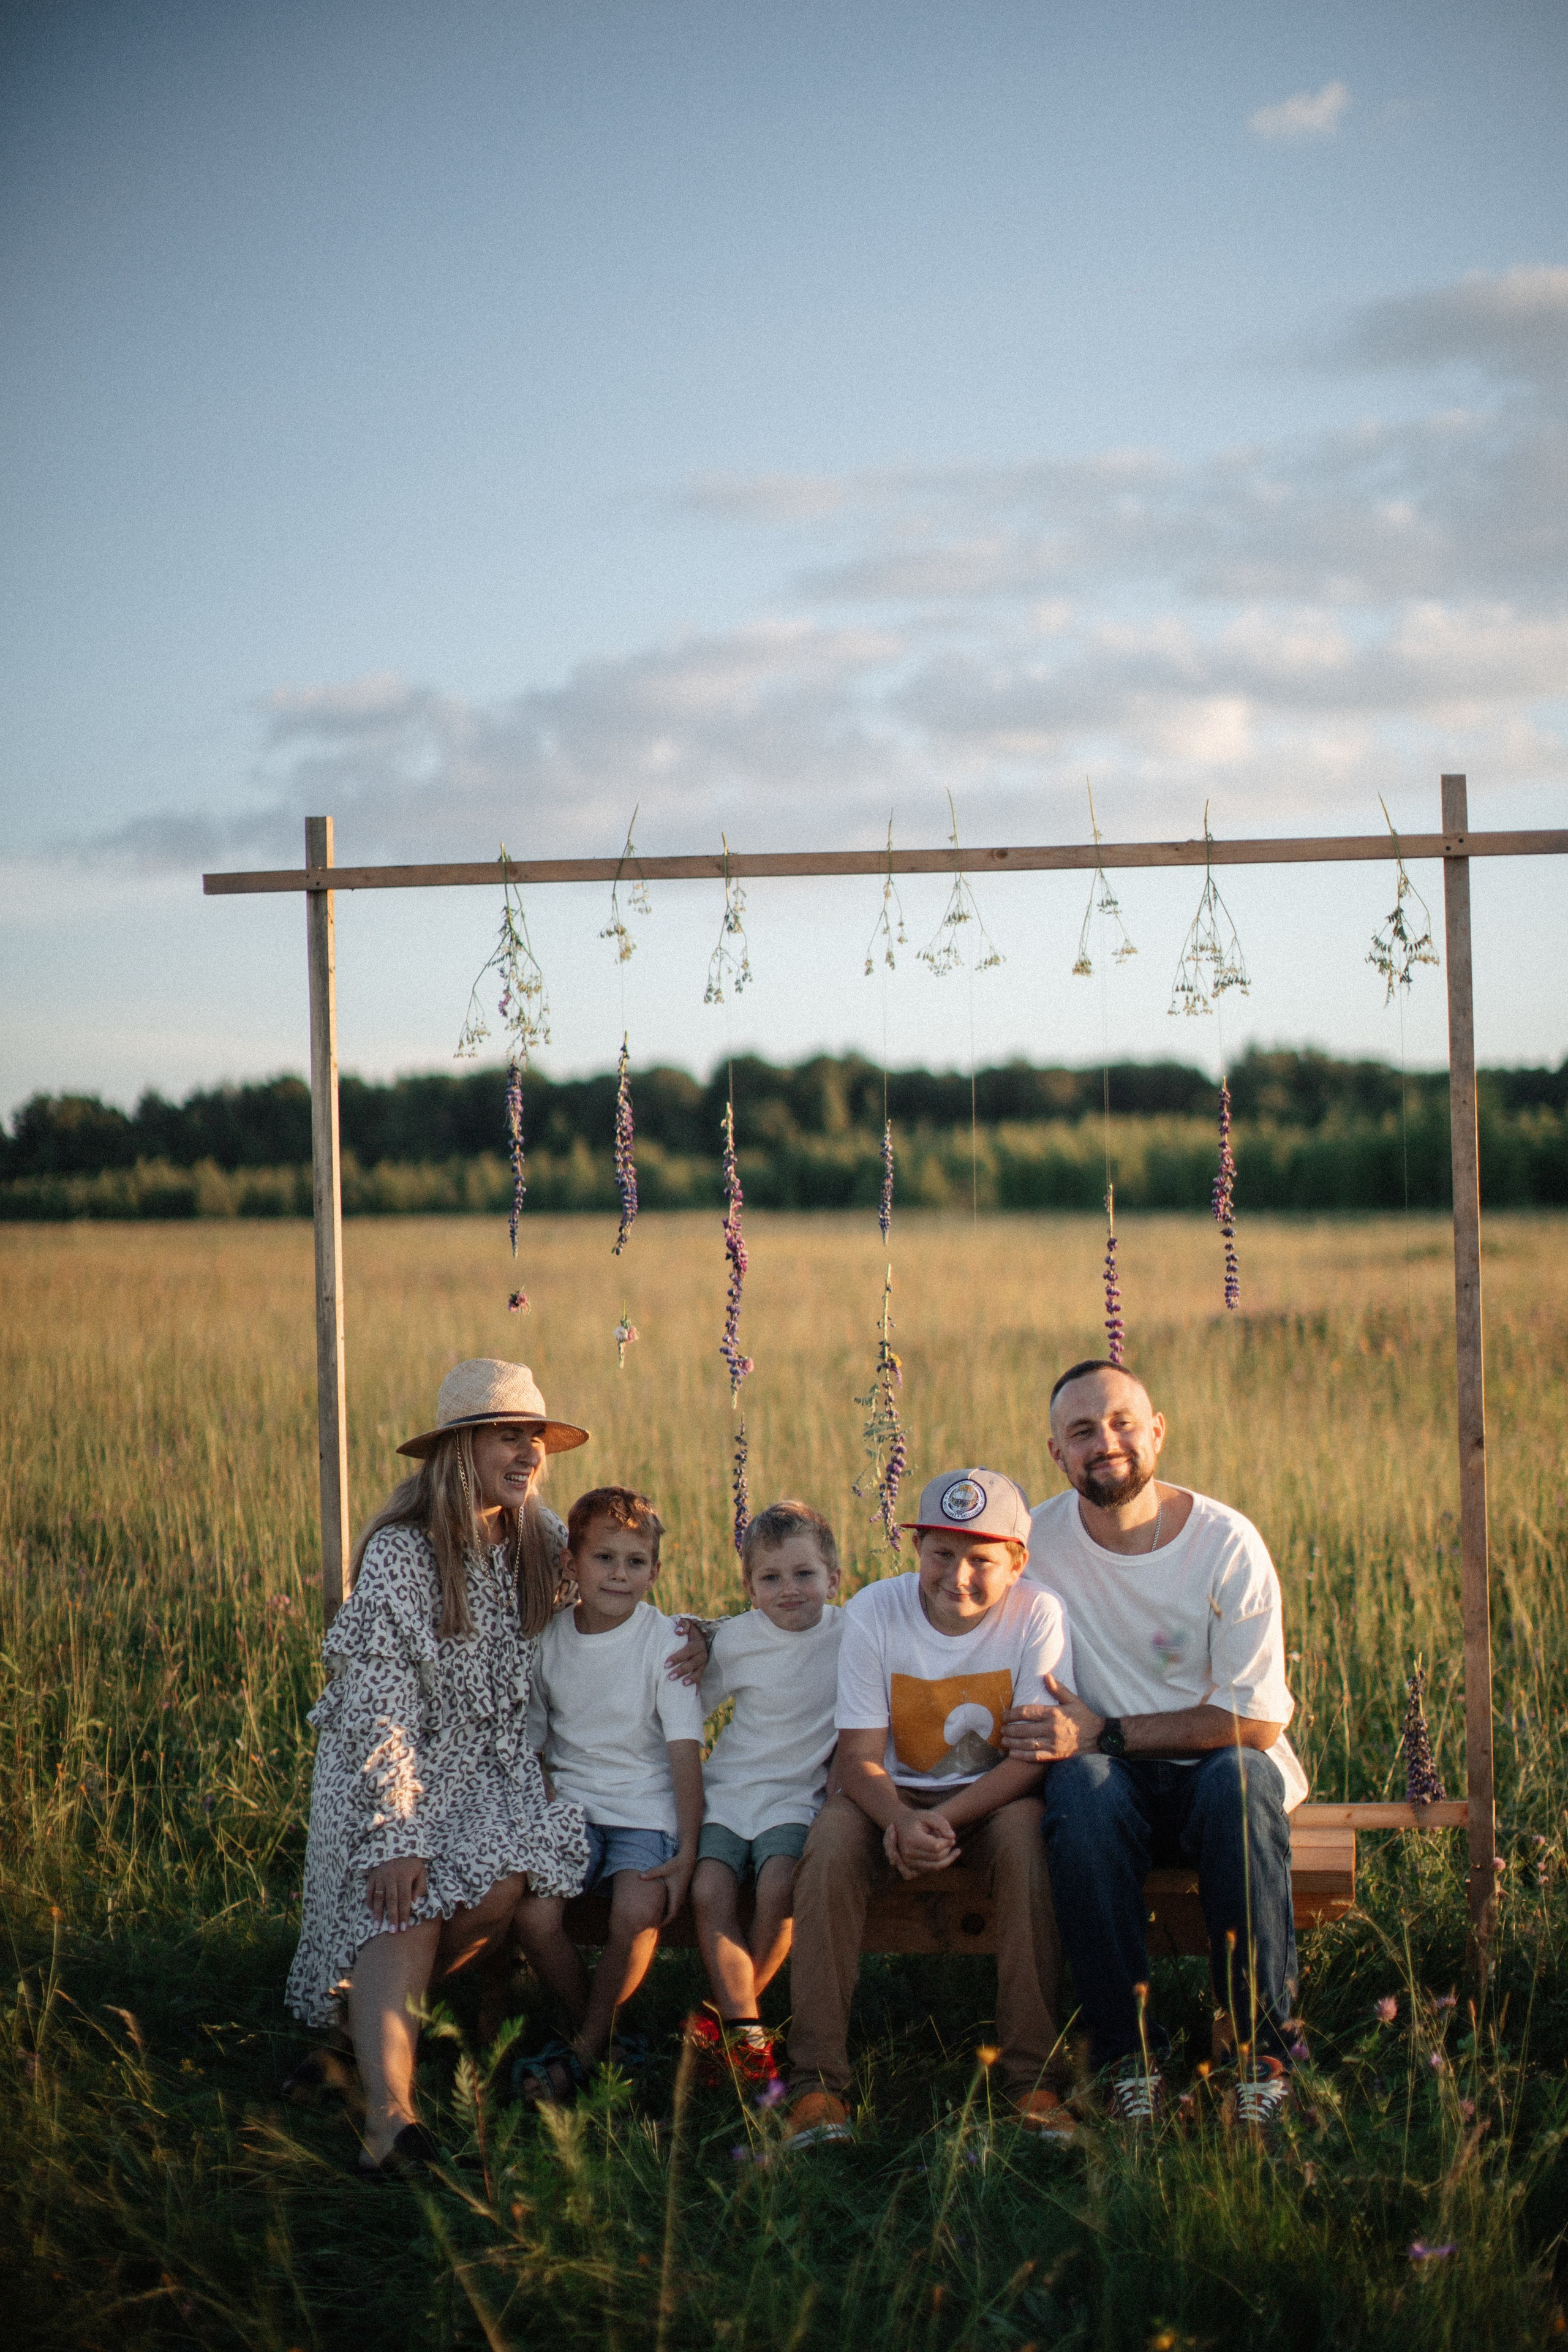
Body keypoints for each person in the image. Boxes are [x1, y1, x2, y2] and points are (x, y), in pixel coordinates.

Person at [284, 1359, 593, 2175]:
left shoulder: (537, 1534)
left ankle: (366, 2039)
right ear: (459, 1449)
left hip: (490, 1769)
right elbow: (381, 1711)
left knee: (499, 1882)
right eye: (507, 1436)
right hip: (396, 1767)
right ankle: (392, 2123)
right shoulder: (402, 1552)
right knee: (406, 1895)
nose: (528, 1453)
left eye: (535, 1438)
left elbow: (614, 1597)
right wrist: (397, 1830)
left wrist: (695, 1638)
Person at [1001, 1359, 1306, 2131]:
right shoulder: (1033, 1546)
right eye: (1081, 1432)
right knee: (1080, 1790)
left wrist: (1108, 1730)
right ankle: (1128, 2060)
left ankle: (1259, 2058)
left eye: (1120, 1423)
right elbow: (942, 1603)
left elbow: (1256, 1720)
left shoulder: (1224, 1543)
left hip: (1216, 1769)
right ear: (1056, 1454)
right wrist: (724, 1640)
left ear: (1157, 1431)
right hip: (1113, 1781)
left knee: (1239, 1779)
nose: (1104, 1443)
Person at [783, 1469, 1074, 2149]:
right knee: (826, 1846)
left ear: (1017, 1561)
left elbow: (1028, 1760)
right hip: (892, 1793)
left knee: (1029, 1842)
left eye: (981, 1559)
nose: (958, 1576)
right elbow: (856, 1758)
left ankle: (1033, 2080)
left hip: (996, 1796)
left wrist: (945, 1822)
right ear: (915, 1549)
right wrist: (899, 1820)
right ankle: (816, 2085)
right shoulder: (876, 1610)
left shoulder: (1037, 1615)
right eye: (941, 1554)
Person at [513, 1485, 705, 2100]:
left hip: (646, 1808)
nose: (619, 1575)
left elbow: (683, 1753)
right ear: (570, 1562)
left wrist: (688, 1850)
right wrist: (543, 1809)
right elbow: (534, 1743)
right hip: (571, 1805)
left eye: (635, 1562)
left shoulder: (667, 1642)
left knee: (636, 1910)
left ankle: (585, 2053)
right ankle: (602, 2038)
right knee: (536, 1918)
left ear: (655, 1570)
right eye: (604, 1559)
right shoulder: (548, 1639)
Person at [686, 1500, 845, 2082]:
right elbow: (692, 1707)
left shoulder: (849, 1633)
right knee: (709, 1890)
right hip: (729, 1790)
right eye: (770, 1578)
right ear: (750, 1588)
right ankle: (746, 2031)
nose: (790, 1591)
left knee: (781, 1883)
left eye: (805, 1575)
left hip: (797, 1795)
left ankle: (735, 2027)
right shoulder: (736, 1640)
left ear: (834, 1577)